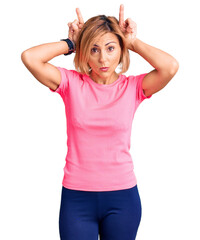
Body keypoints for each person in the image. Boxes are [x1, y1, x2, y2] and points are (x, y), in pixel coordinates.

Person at [21, 4, 179, 240]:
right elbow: (30, 57)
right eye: (94, 49)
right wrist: (72, 43)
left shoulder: (133, 87)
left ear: (120, 50)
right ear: (85, 53)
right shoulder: (71, 83)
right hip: (77, 198)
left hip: (123, 199)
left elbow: (170, 67)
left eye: (110, 48)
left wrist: (133, 42)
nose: (103, 58)